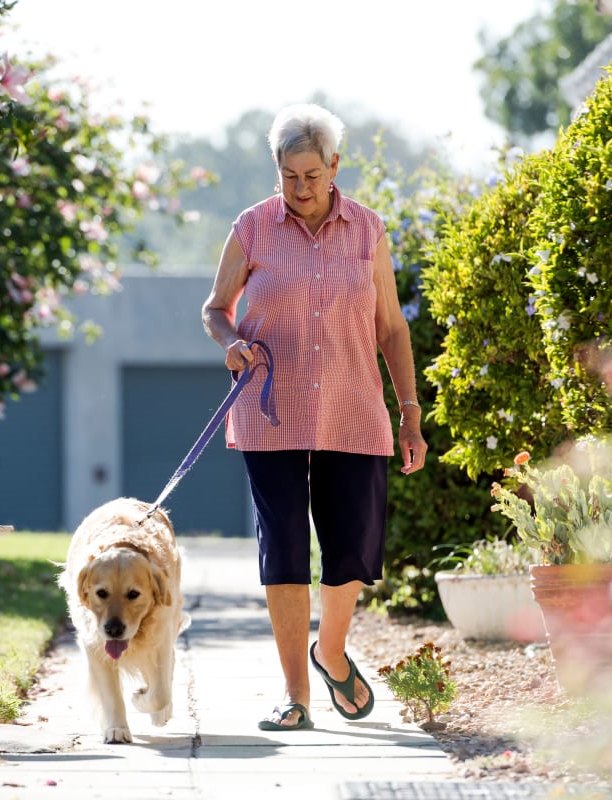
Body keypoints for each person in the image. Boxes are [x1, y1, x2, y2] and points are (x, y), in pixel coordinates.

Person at [201, 103, 428, 731]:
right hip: (270, 410)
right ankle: (295, 696)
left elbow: (391, 327)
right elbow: (216, 308)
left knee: (352, 545)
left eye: (311, 174)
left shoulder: (367, 230)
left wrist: (409, 413)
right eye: (287, 175)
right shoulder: (251, 229)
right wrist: (230, 343)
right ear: (276, 169)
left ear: (334, 166)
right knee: (284, 549)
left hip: (354, 410)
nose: (300, 188)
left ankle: (330, 651)